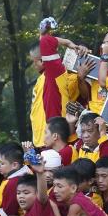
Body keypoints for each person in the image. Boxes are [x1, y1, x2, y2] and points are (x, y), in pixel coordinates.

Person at [31, 17, 85, 147]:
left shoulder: (55, 73)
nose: (34, 65)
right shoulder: (41, 78)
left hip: (59, 139)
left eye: (35, 61)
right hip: (42, 140)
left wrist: (68, 43)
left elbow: (45, 41)